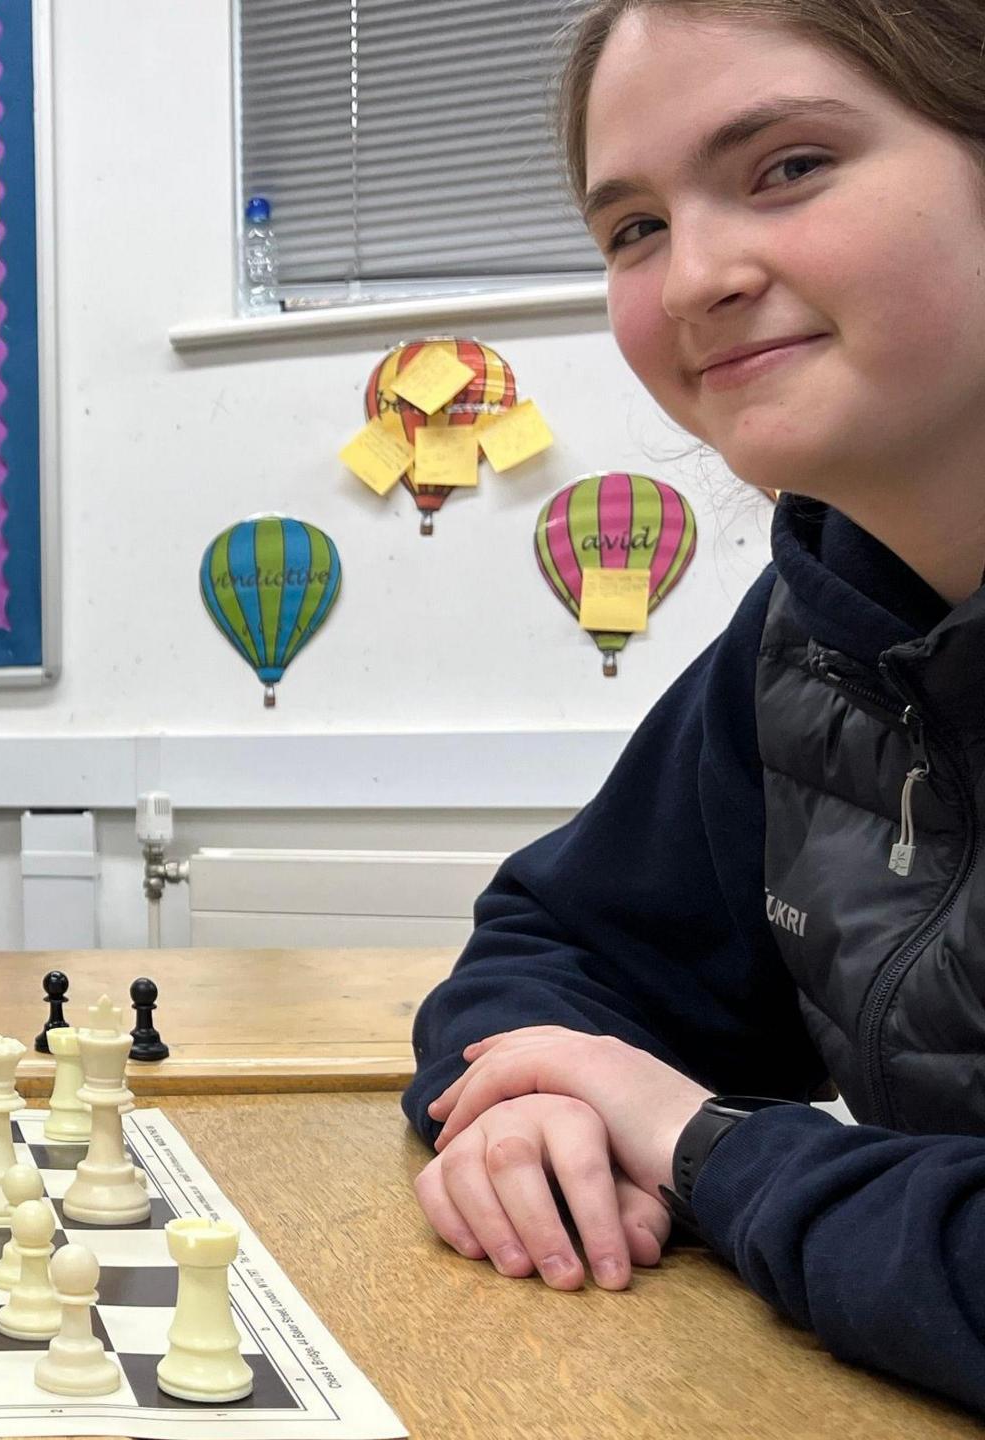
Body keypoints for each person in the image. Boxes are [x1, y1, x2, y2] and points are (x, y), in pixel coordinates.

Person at [403, 0, 985, 1414]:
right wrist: (539, 1104)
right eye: (633, 229)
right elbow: (558, 945)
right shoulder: (809, 633)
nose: (692, 281)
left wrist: (686, 1135)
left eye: (789, 165)